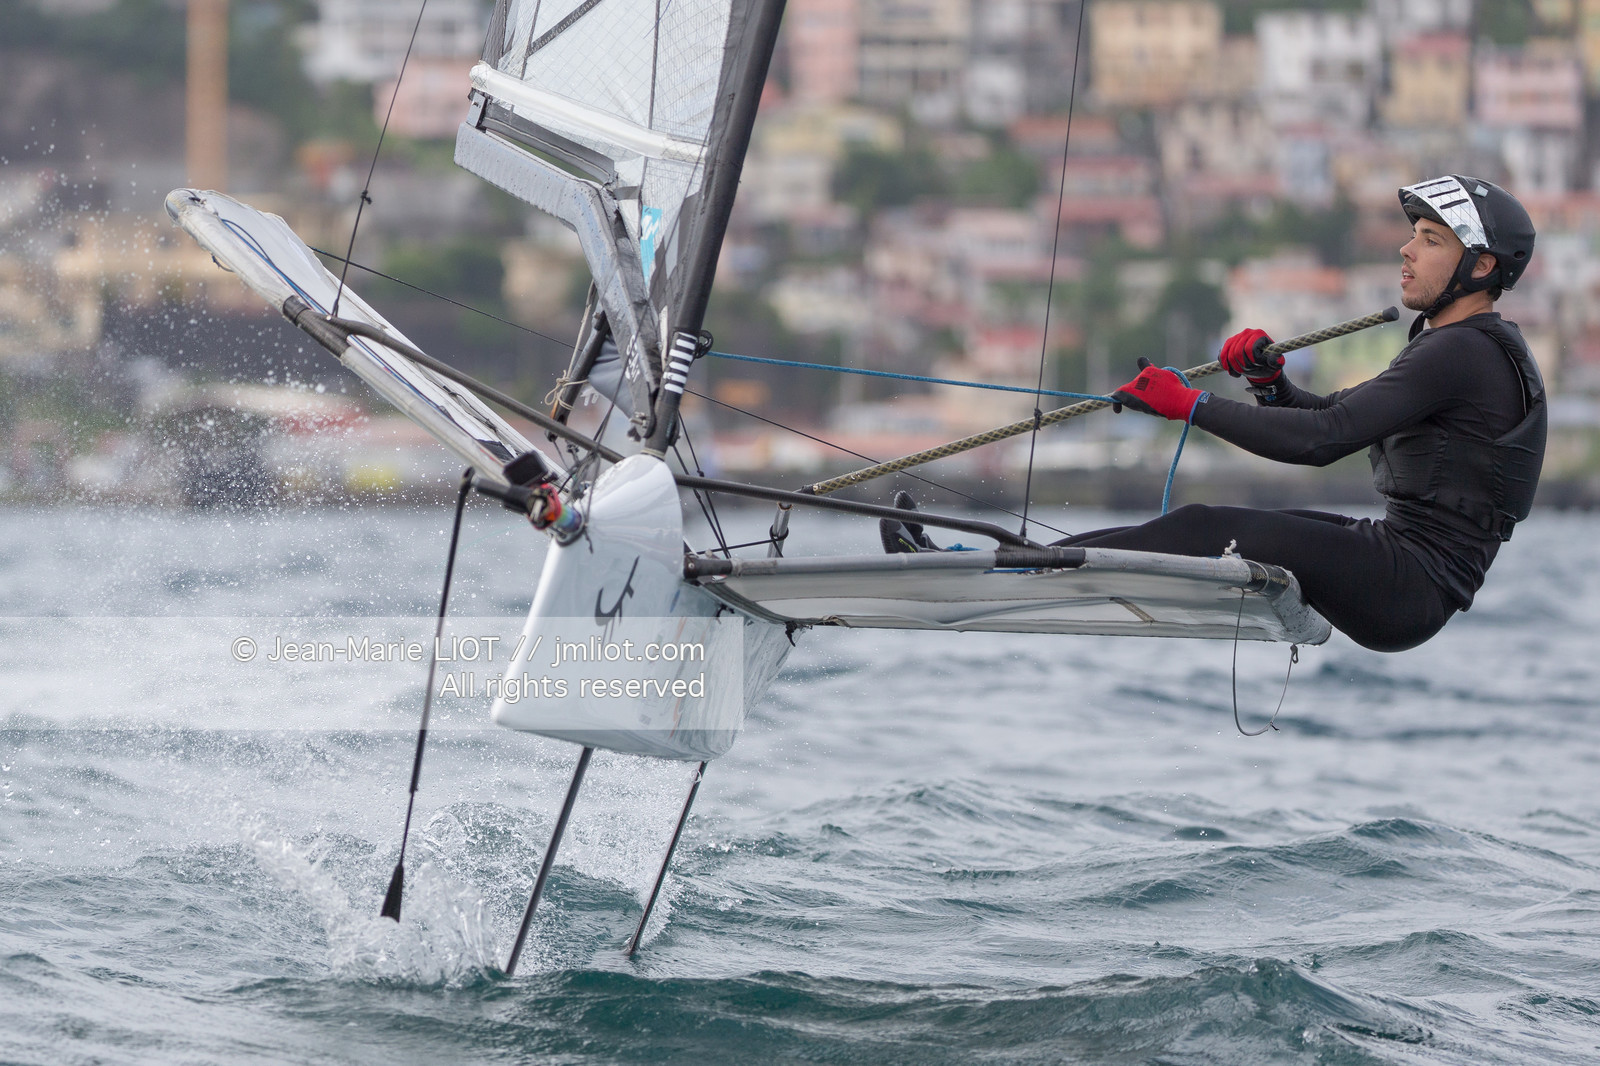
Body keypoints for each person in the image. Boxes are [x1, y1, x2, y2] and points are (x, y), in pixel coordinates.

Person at [883, 176, 1547, 652]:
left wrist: (1189, 404)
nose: (1405, 251)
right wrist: (1269, 381)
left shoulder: (1461, 351)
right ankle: (1007, 564)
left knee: (1206, 524)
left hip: (1408, 581)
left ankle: (989, 572)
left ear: (1480, 266)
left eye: (1429, 240)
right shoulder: (1461, 348)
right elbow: (1331, 417)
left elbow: (1322, 441)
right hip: (1406, 576)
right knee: (1198, 527)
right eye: (1412, 236)